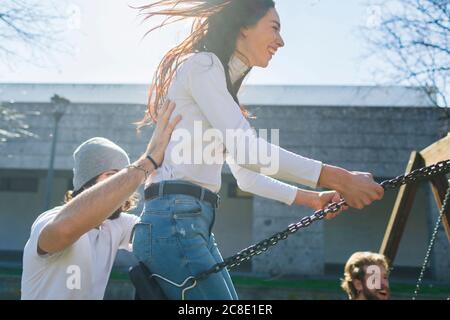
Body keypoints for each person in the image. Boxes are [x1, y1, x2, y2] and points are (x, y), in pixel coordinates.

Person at [132, 0, 384, 300]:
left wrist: (313, 199)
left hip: (191, 221)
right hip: (174, 220)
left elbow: (247, 176)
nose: (281, 40)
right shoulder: (203, 65)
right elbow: (247, 151)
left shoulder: (221, 91)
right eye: (274, 28)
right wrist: (339, 178)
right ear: (243, 28)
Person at [21, 101, 181, 299]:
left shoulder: (116, 225)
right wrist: (147, 162)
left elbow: (165, 233)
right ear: (88, 184)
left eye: (120, 177)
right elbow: (64, 230)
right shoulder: (49, 219)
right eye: (112, 176)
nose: (121, 188)